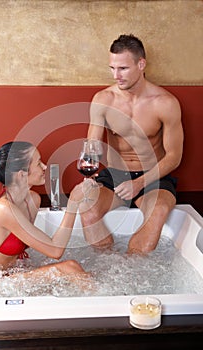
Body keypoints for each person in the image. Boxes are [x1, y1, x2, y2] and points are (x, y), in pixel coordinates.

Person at [79, 34, 184, 254]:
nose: (116, 75)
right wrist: (90, 169)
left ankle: (132, 268)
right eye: (112, 68)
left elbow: (174, 156)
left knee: (158, 212)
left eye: (123, 69)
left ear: (141, 64)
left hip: (153, 176)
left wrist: (139, 183)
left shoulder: (165, 103)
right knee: (87, 208)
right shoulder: (103, 99)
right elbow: (92, 147)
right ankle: (110, 265)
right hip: (116, 176)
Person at [0, 141, 92, 280]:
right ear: (21, 174)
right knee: (70, 268)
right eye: (38, 163)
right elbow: (55, 251)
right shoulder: (3, 209)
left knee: (77, 270)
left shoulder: (33, 199)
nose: (45, 167)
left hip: (12, 275)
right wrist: (73, 204)